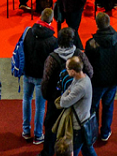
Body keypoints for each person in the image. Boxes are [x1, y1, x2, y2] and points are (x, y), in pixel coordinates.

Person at [40, 28, 93, 156]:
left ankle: (48, 152)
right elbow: (90, 72)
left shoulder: (52, 58)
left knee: (51, 126)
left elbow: (46, 80)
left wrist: (49, 97)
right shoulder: (79, 55)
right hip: (76, 102)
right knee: (77, 130)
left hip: (56, 99)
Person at [84, 13, 117, 143]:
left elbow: (87, 65)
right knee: (108, 106)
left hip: (96, 82)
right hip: (112, 80)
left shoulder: (91, 44)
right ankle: (105, 132)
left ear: (97, 25)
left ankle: (92, 132)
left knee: (93, 107)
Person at [22, 9, 58, 145]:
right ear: (51, 21)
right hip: (41, 77)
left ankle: (26, 131)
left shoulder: (28, 32)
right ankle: (38, 135)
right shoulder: (53, 40)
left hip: (27, 72)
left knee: (26, 99)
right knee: (40, 106)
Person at [59, 56, 98, 156]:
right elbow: (70, 89)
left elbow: (63, 102)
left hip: (78, 126)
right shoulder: (82, 78)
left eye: (67, 69)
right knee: (88, 149)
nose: (66, 70)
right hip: (84, 121)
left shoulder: (80, 86)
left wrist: (66, 93)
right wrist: (69, 91)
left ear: (73, 71)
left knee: (73, 151)